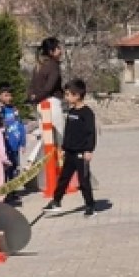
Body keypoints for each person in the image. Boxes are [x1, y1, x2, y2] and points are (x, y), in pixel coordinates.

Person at [44, 79, 97, 217]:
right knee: (63, 178)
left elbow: (91, 133)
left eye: (68, 94)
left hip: (81, 153)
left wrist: (88, 150)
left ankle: (90, 205)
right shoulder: (71, 112)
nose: (66, 98)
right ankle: (56, 201)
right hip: (70, 152)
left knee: (83, 180)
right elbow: (68, 132)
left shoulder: (87, 113)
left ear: (77, 95)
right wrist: (63, 148)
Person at [0, 82, 27, 205]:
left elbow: (20, 126)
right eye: (5, 95)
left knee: (14, 170)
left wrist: (23, 142)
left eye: (10, 95)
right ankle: (4, 193)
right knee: (4, 170)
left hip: (15, 146)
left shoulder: (14, 110)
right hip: (4, 146)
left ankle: (12, 192)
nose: (8, 98)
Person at [27, 37, 64, 106]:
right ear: (51, 52)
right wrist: (37, 97)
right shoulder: (53, 66)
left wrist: (32, 96)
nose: (60, 51)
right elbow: (48, 88)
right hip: (52, 103)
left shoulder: (39, 65)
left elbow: (32, 85)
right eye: (58, 48)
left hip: (39, 103)